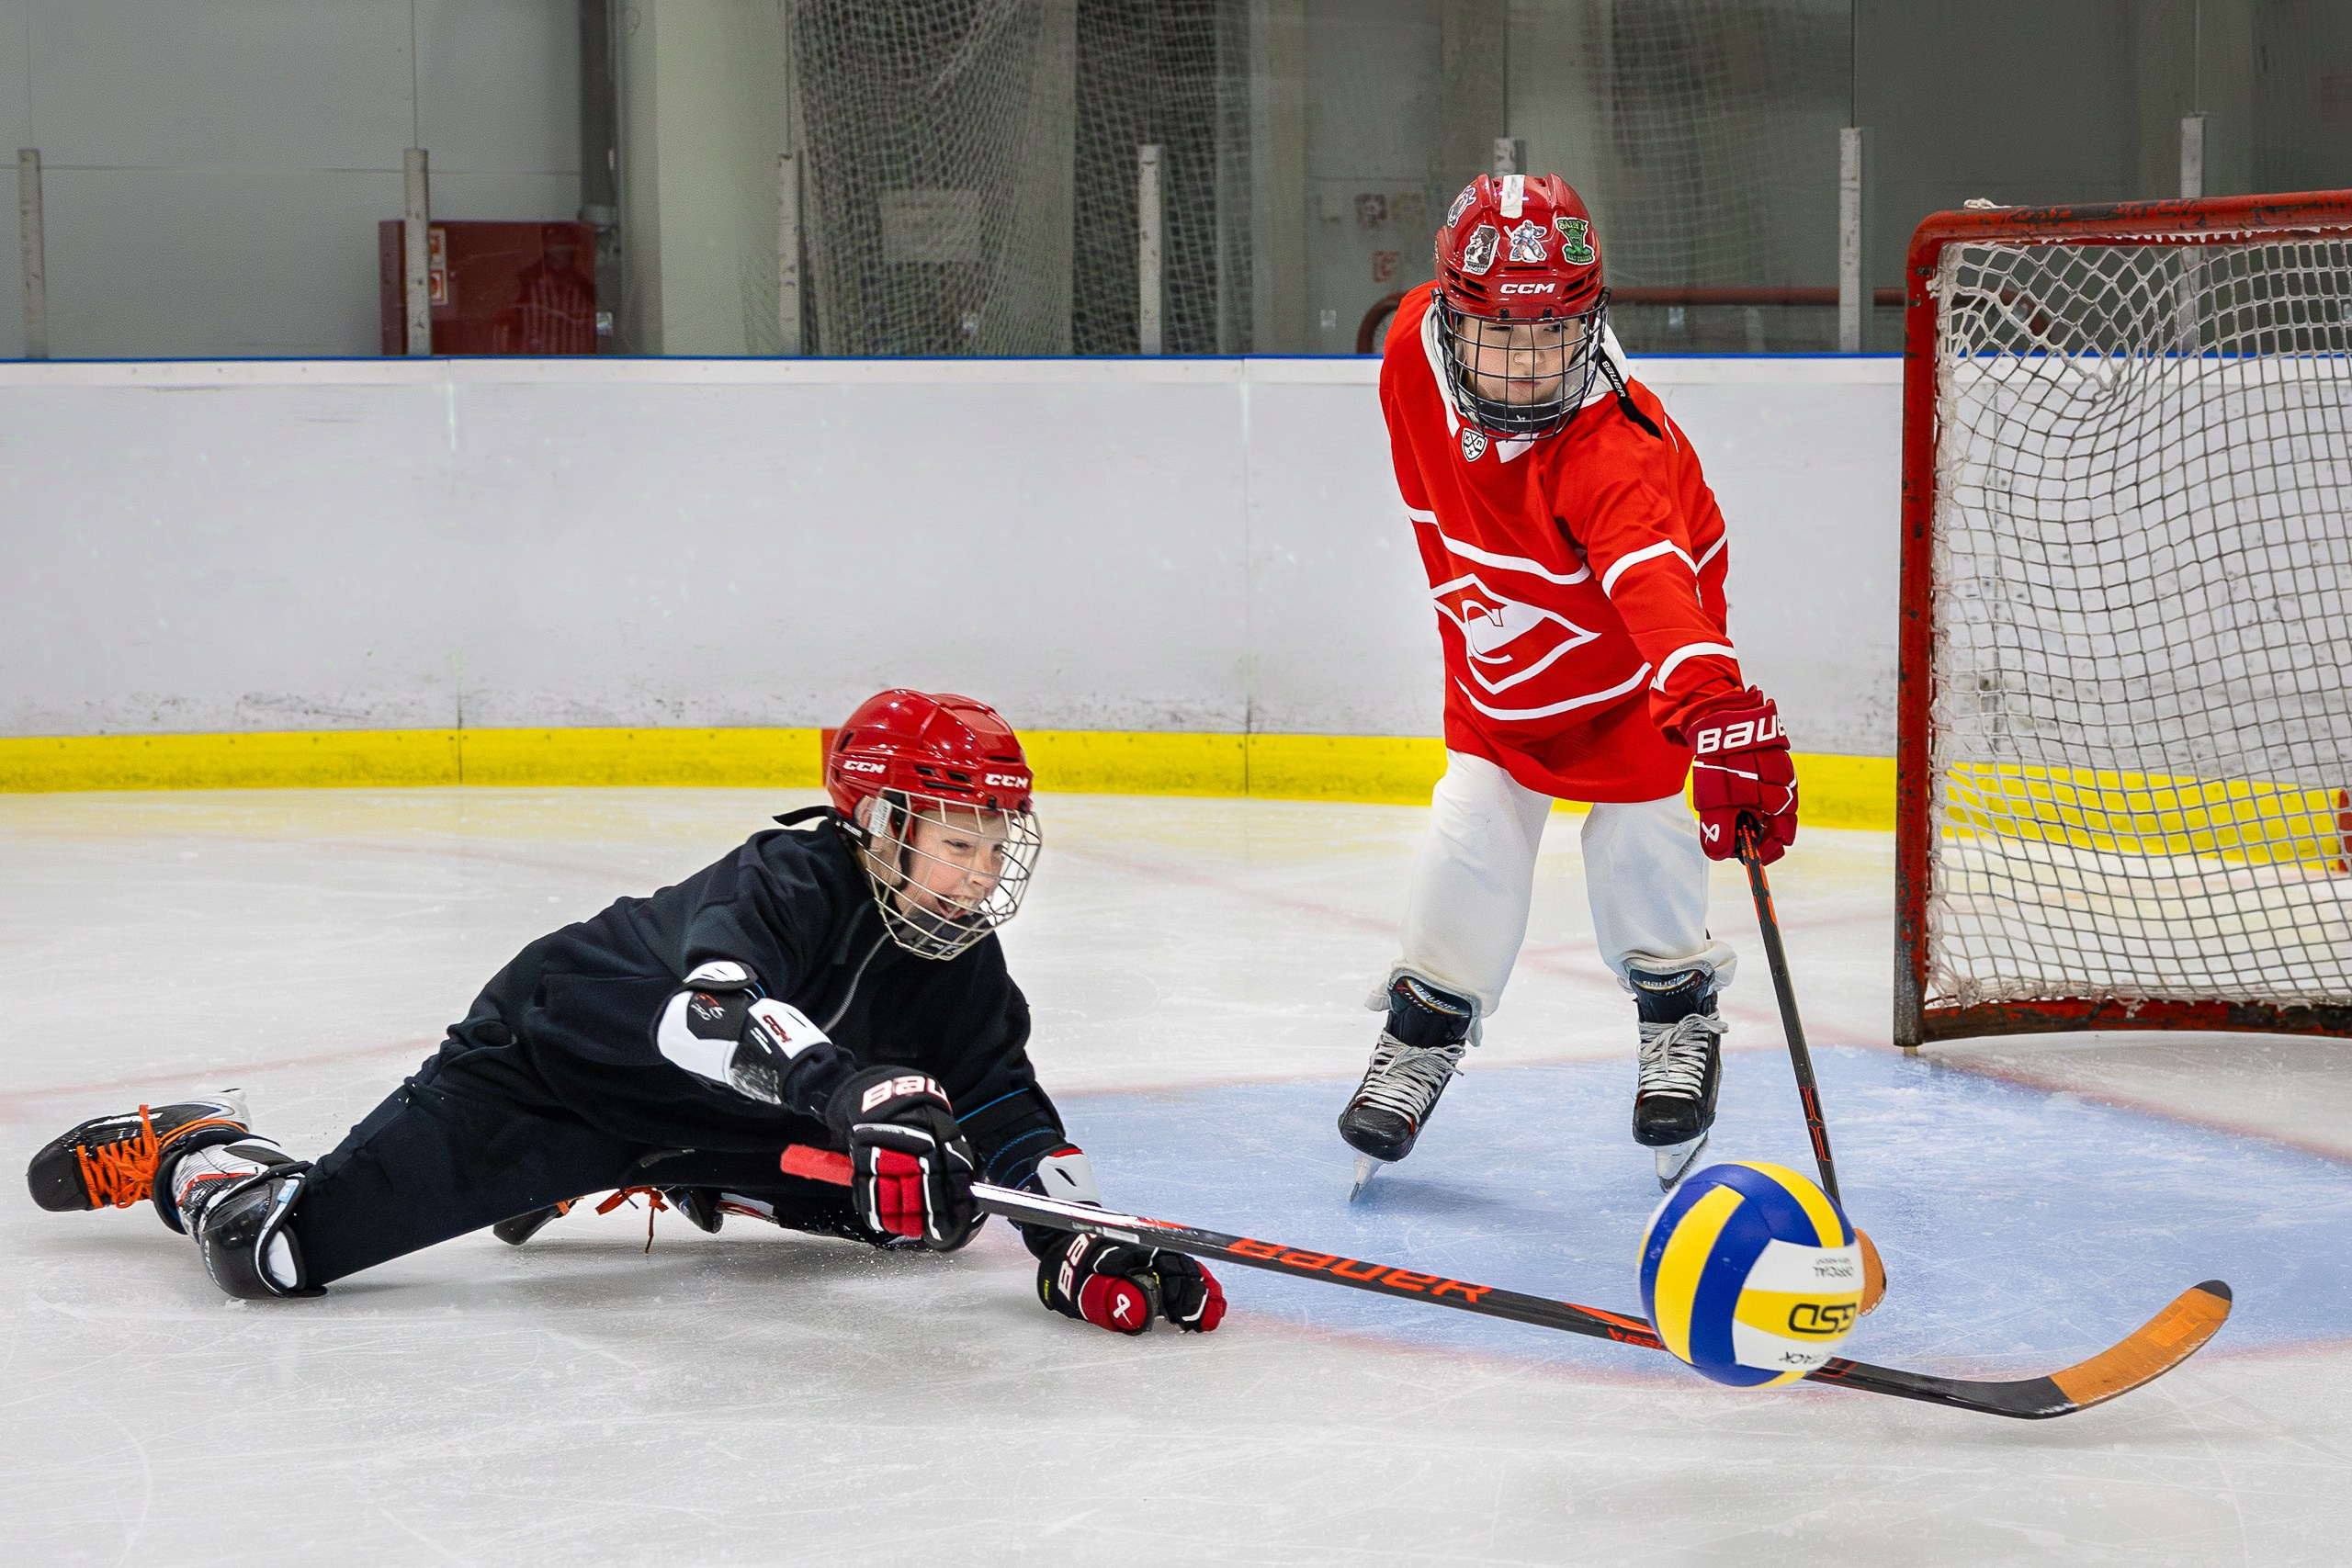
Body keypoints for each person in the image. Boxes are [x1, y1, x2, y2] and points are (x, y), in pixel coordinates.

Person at [27, 689, 1225, 1338]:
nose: (980, 870)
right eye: (960, 840)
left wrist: (1080, 1231)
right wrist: (852, 1091)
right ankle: (200, 1149)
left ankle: (696, 1172)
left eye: (995, 842)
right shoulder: (790, 878)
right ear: (884, 823)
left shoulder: (957, 951)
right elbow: (709, 1016)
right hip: (555, 1070)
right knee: (273, 1255)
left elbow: (1005, 1096)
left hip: (703, 1117)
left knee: (927, 1198)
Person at [1338, 174, 1800, 1193]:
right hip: (1502, 672)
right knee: (1474, 821)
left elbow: (1652, 587)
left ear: (1589, 324)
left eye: (1554, 335)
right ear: (1451, 322)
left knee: (1640, 832)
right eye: (1500, 337)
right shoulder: (1409, 350)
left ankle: (1678, 1016)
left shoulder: (1612, 453)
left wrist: (1715, 708)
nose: (1528, 364)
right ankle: (1422, 1034)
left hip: (1636, 665)